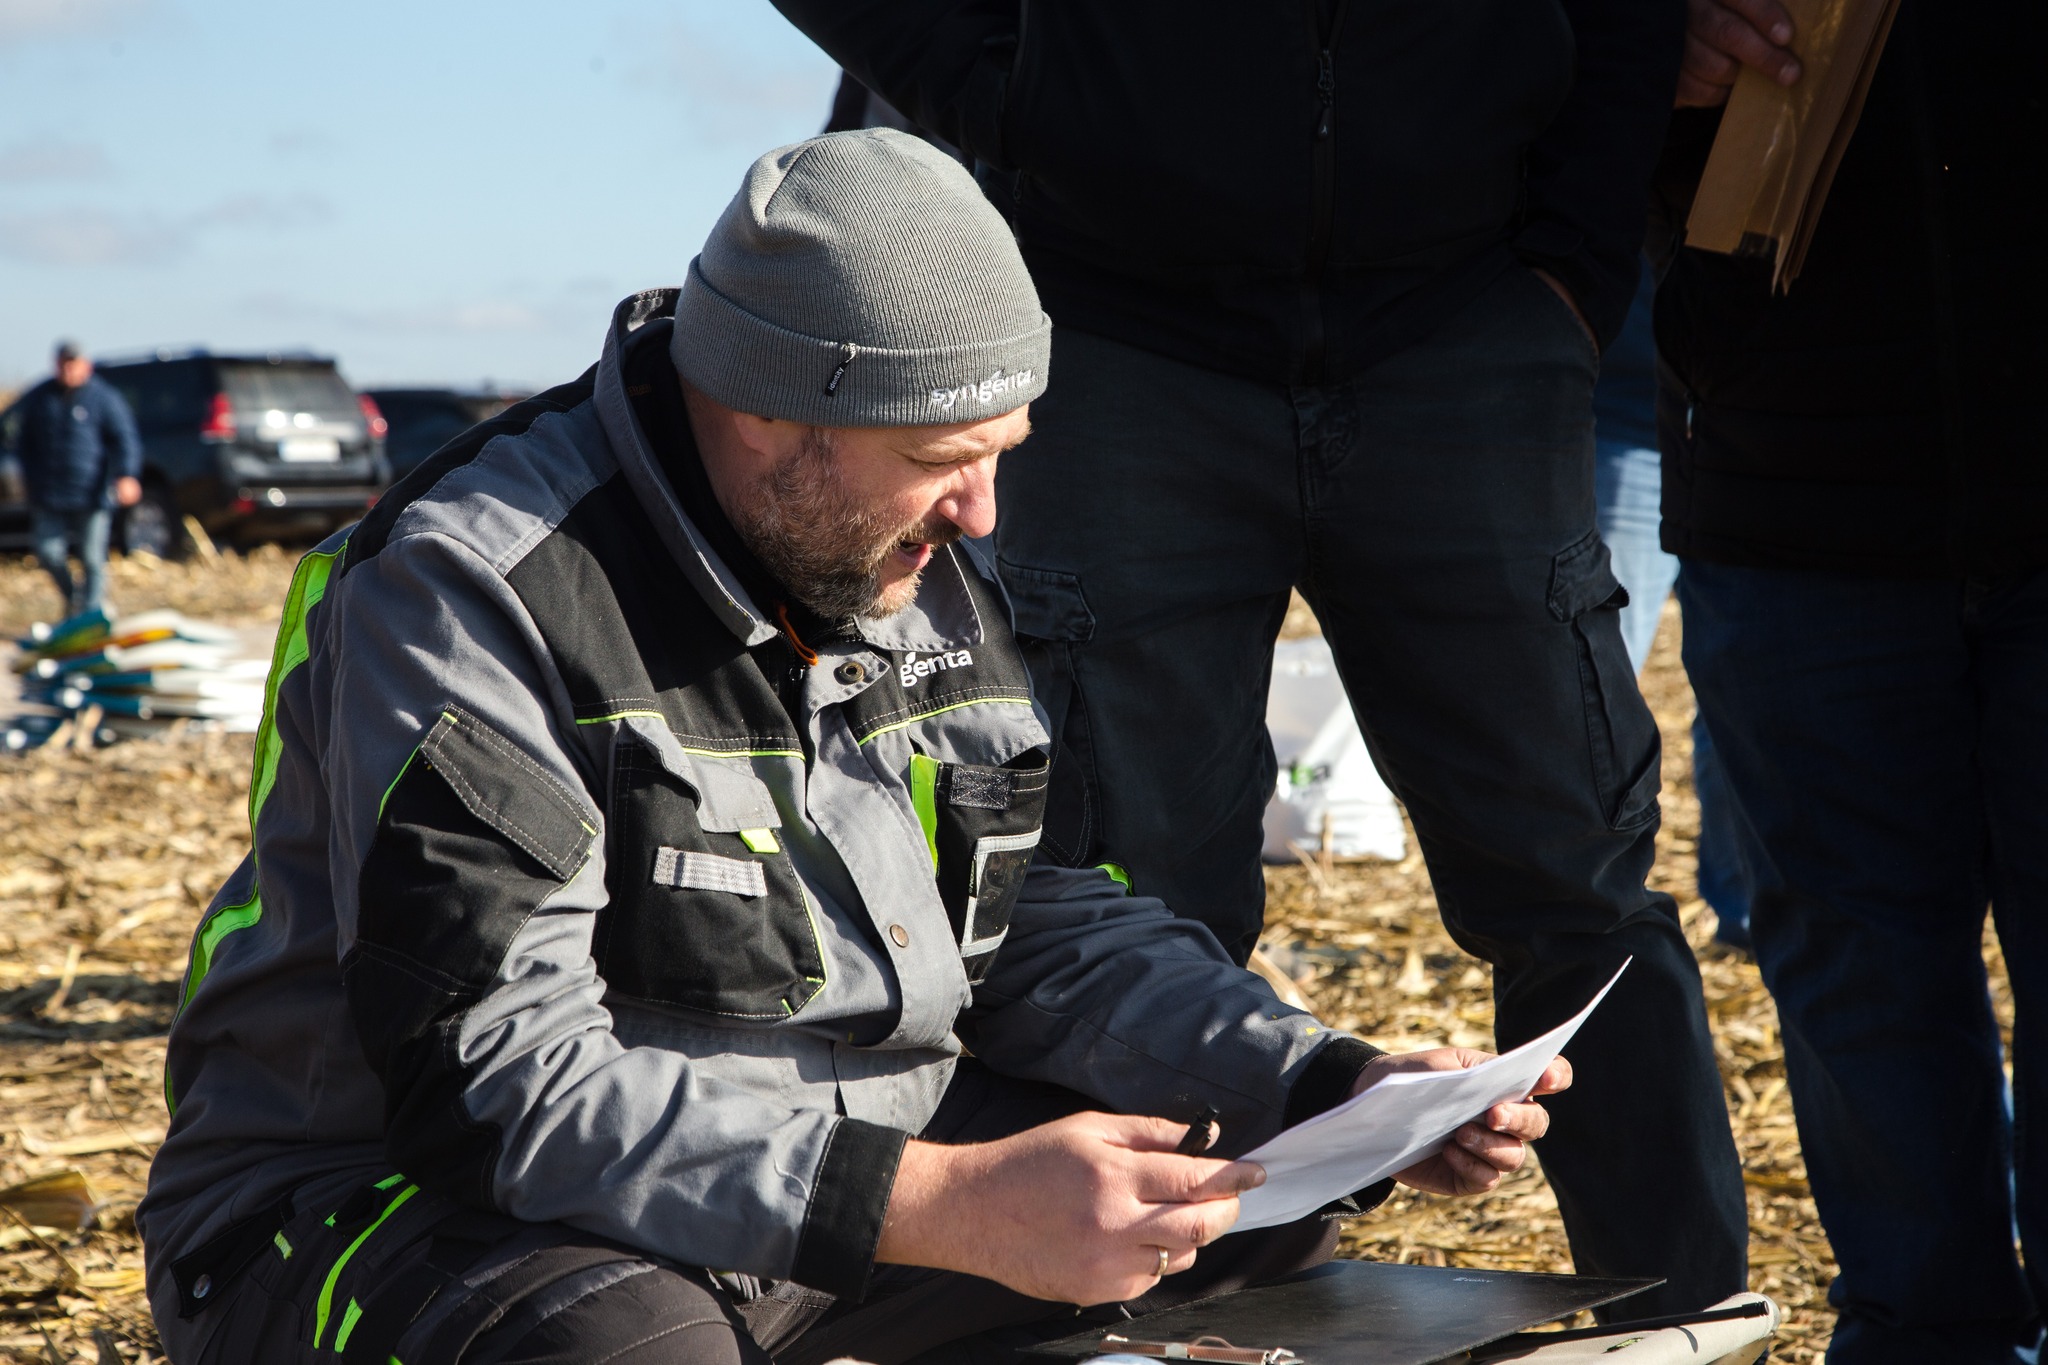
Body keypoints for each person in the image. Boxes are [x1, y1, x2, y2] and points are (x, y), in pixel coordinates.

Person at [139, 131, 1568, 1365]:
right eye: (944, 460)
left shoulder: (899, 549)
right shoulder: (475, 585)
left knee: (1227, 1212)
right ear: (769, 411)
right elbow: (494, 1082)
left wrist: (1324, 1084)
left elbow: (1029, 918)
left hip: (824, 1156)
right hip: (389, 1198)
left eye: (1003, 451)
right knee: (621, 1348)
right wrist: (940, 1205)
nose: (984, 514)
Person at [768, 0, 1746, 1315]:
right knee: (1135, 891)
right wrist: (1021, 97)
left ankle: (1680, 1323)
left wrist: (1572, 256)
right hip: (1123, 328)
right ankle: (1174, 1328)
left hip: (1466, 314)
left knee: (1577, 885)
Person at [1653, 0, 2046, 1359]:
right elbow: (1515, 63)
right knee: (1858, 966)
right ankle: (1923, 1336)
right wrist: (1643, 35)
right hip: (1791, 478)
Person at [1591, 270, 1751, 951]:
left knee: (1746, 699)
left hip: (1754, 439)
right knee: (1591, 699)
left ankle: (1747, 913)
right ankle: (1591, 915)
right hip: (1628, 421)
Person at [9, 340, 142, 618]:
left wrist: (126, 474)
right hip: (49, 494)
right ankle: (74, 601)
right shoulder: (40, 398)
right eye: (63, 364)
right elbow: (23, 444)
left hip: (92, 492)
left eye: (73, 364)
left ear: (85, 365)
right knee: (48, 552)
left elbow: (124, 439)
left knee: (92, 558)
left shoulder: (103, 398)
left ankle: (92, 614)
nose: (68, 370)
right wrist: (26, 478)